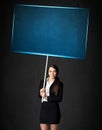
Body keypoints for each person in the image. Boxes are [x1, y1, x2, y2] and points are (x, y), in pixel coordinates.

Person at [39, 64, 63, 130]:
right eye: (50, 71)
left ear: (57, 72)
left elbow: (59, 98)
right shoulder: (43, 82)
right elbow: (39, 96)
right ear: (47, 72)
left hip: (54, 109)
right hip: (44, 108)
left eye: (54, 71)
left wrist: (46, 97)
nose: (52, 73)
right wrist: (41, 93)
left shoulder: (59, 84)